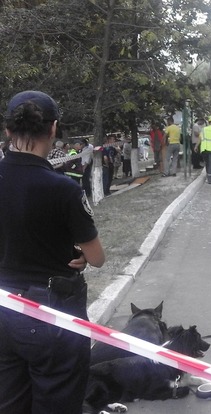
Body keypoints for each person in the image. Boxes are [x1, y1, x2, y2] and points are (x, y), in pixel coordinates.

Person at [0, 90, 105, 414]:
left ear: (8, 131)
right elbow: (98, 257)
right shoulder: (63, 189)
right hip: (51, 314)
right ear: (53, 129)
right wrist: (83, 254)